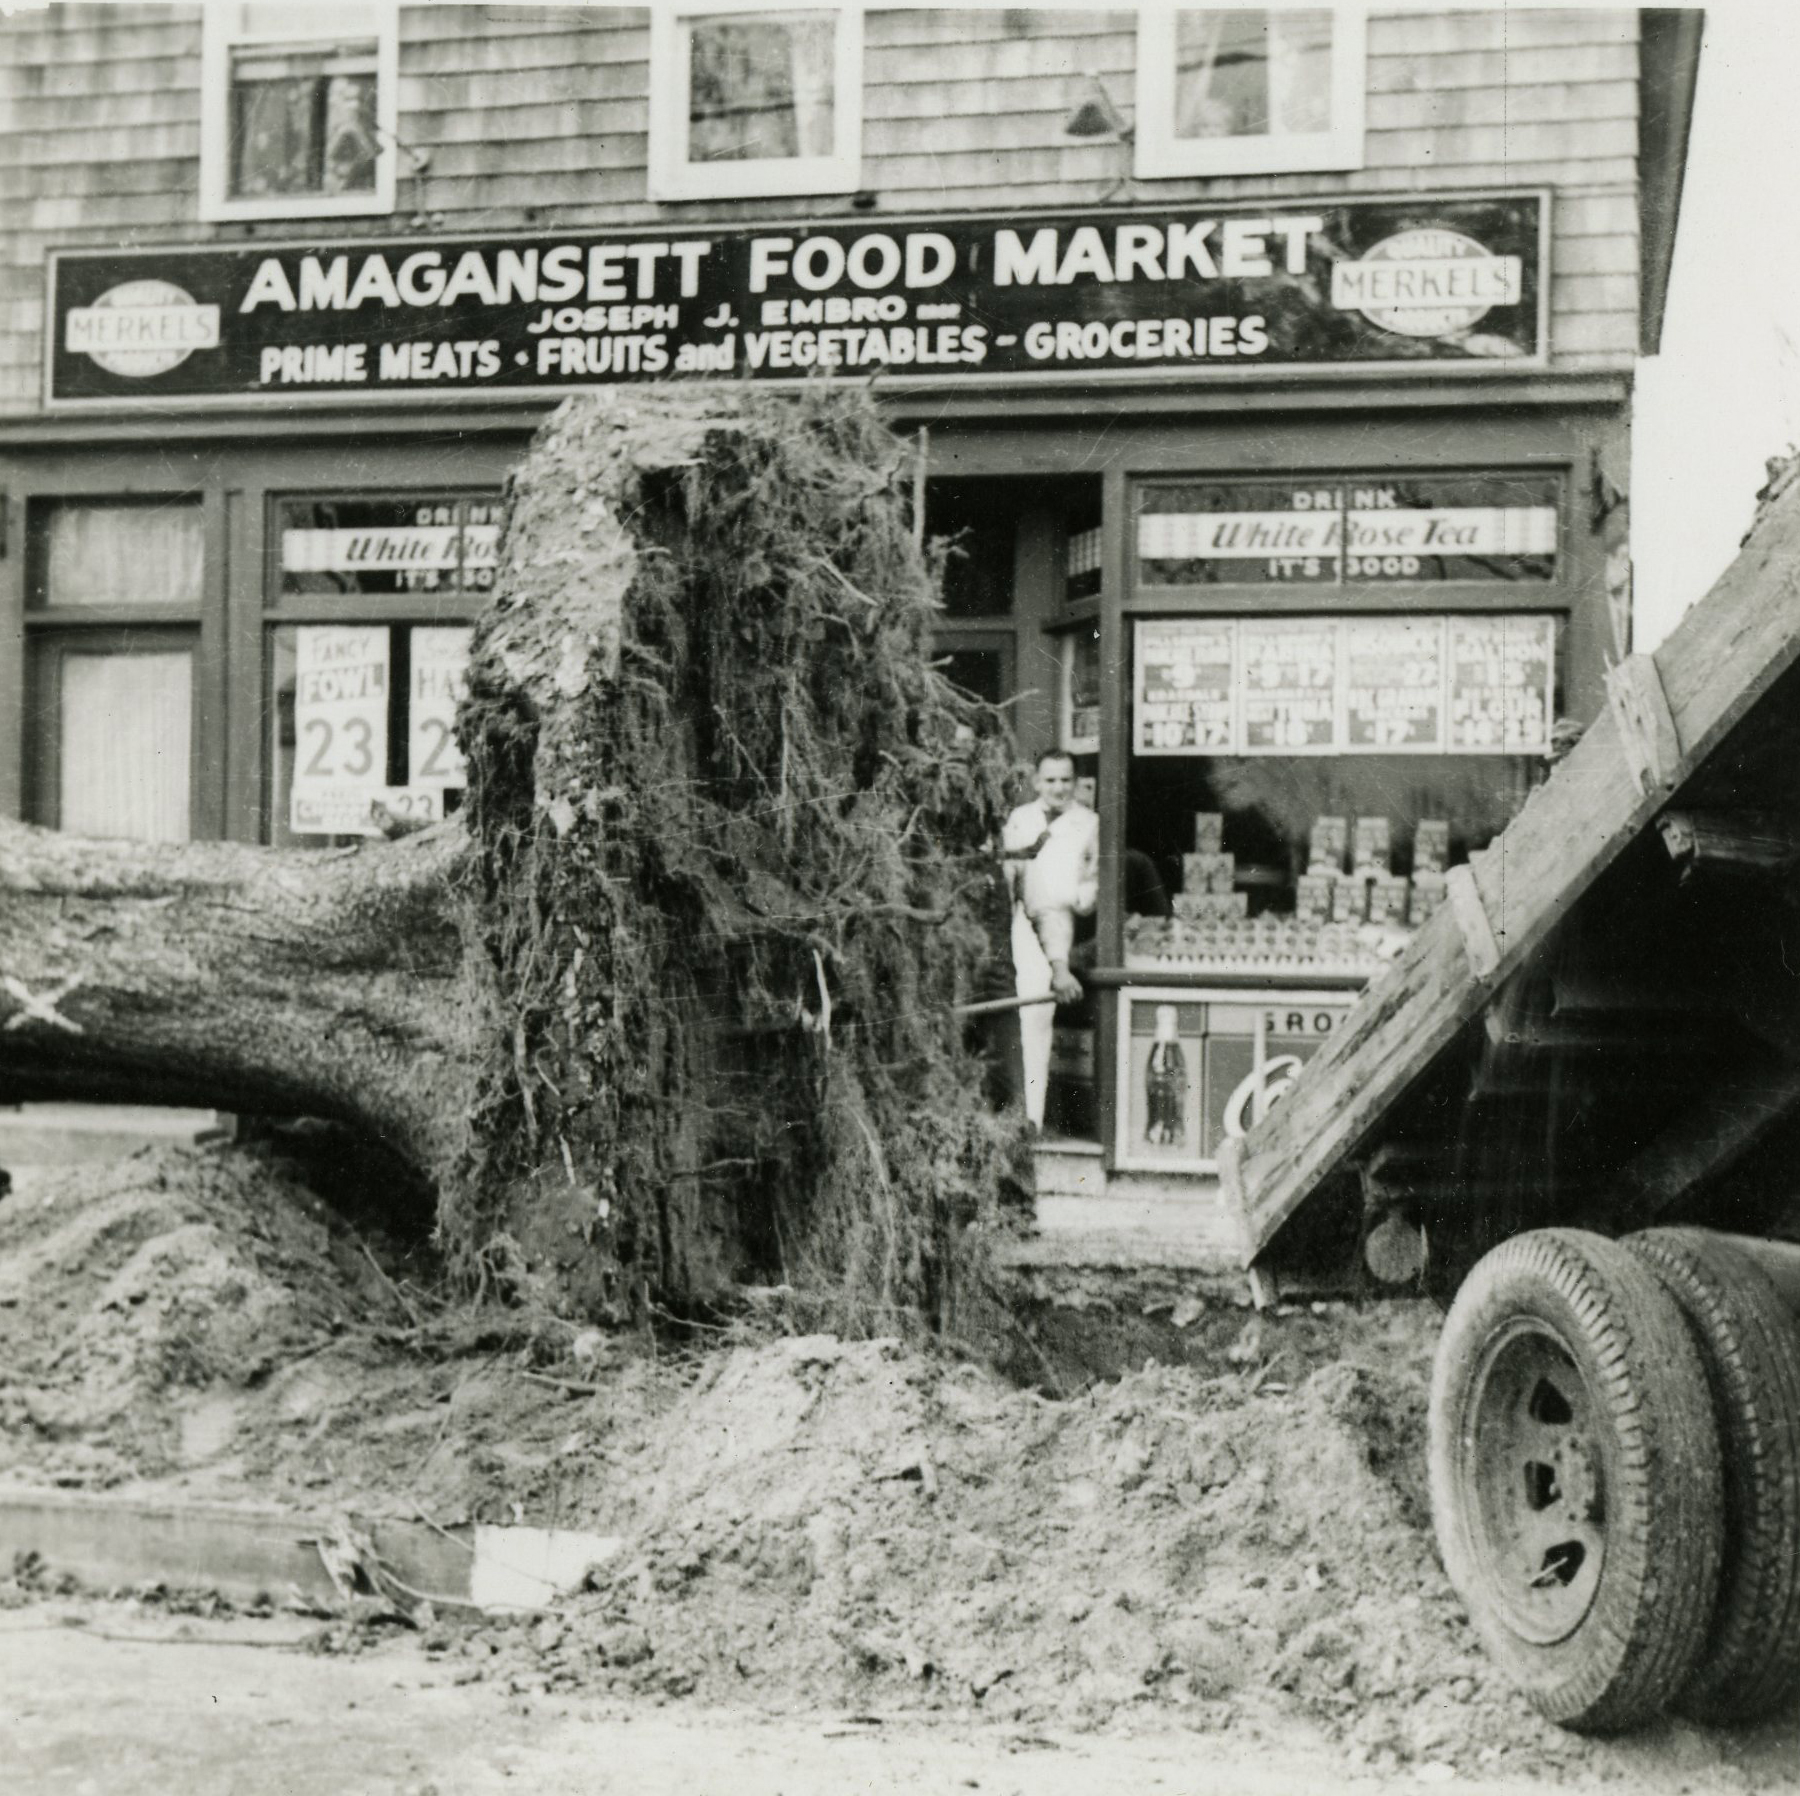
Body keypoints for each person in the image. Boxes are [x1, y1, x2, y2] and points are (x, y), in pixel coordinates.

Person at [1001, 750, 1099, 1130]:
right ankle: (1025, 1118)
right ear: (1038, 781)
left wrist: (1079, 898)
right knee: (1025, 1017)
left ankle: (1034, 1119)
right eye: (1051, 780)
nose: (1058, 787)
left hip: (1060, 922)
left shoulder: (1088, 822)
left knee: (1041, 1016)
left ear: (1075, 783)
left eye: (1065, 780)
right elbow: (1010, 871)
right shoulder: (1020, 819)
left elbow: (1094, 877)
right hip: (1020, 923)